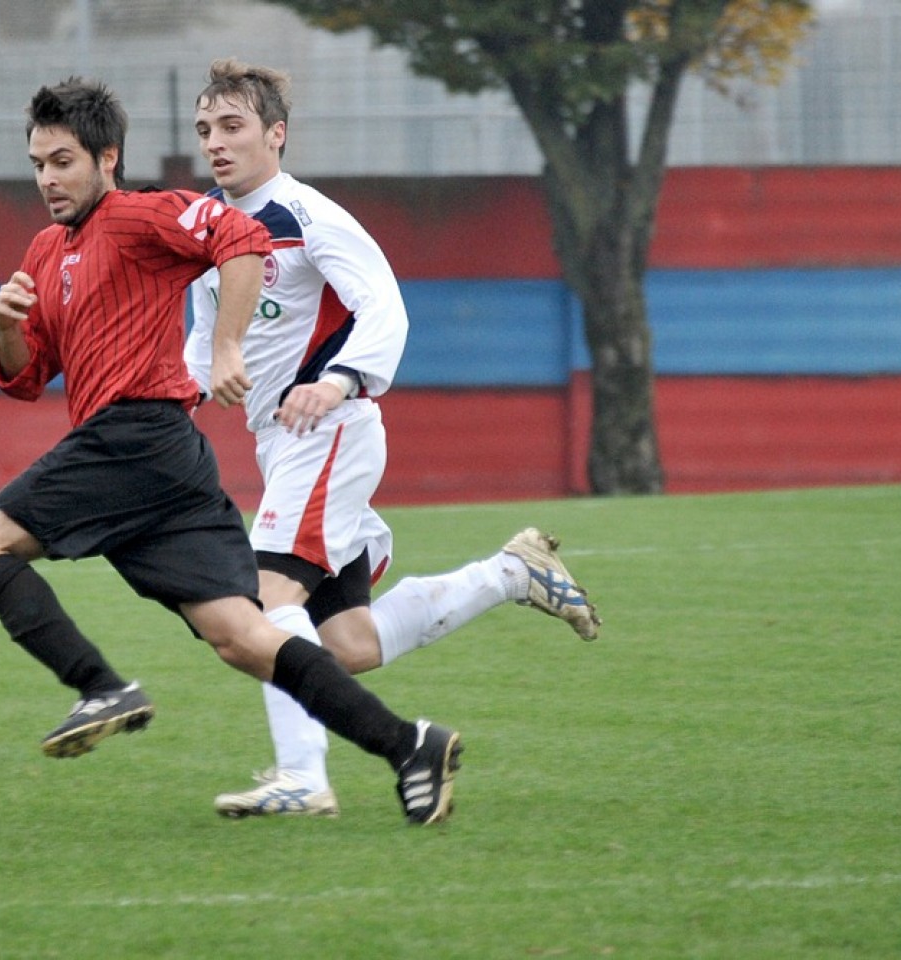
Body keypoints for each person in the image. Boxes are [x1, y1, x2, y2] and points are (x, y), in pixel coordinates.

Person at [0, 76, 463, 825]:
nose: (47, 180)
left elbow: (243, 238)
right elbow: (26, 378)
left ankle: (101, 687)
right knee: (246, 635)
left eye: (62, 162)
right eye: (38, 164)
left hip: (134, 436)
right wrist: (4, 325)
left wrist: (225, 349)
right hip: (162, 463)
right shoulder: (47, 249)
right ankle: (409, 745)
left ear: (106, 158)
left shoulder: (141, 214)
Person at [184, 59, 601, 818]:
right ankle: (512, 574)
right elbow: (206, 344)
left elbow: (385, 309)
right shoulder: (208, 234)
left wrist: (338, 380)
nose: (216, 142)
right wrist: (186, 389)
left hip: (330, 431)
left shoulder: (310, 216)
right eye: (206, 128)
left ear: (277, 135)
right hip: (283, 445)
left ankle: (303, 780)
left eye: (234, 126)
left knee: (259, 603)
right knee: (345, 643)